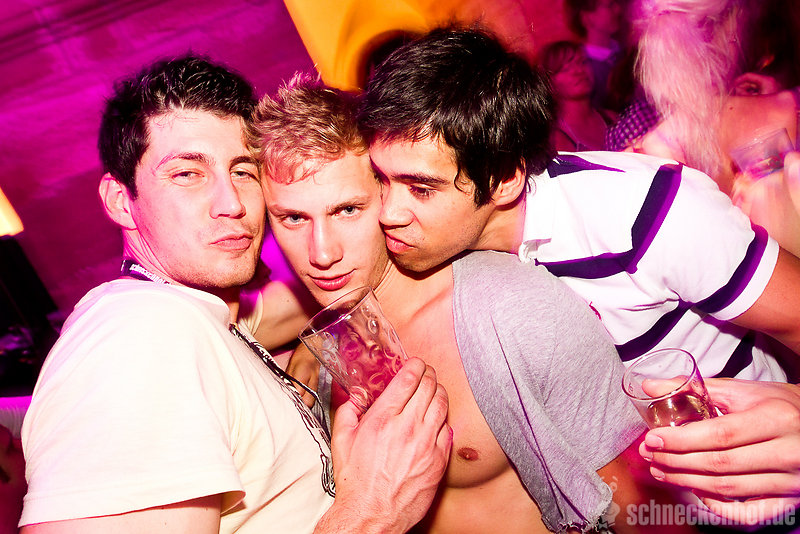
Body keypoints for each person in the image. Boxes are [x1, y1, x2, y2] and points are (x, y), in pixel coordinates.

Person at [358, 27, 800, 523]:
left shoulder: (646, 215)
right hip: (661, 510)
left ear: (504, 180)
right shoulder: (441, 247)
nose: (388, 212)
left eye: (420, 188)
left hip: (770, 494)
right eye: (381, 179)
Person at [247, 74, 698, 533]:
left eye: (347, 210)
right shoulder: (327, 348)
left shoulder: (514, 309)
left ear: (386, 192)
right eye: (293, 218)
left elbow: (644, 503)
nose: (322, 253)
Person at [18, 55, 451, 533]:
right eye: (187, 174)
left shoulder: (202, 319)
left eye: (243, 172)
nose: (231, 204)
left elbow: (317, 293)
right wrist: (372, 512)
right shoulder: (138, 335)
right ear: (121, 202)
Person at [539, 40, 617, 151]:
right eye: (566, 69)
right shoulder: (556, 139)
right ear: (549, 83)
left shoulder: (612, 119)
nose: (579, 71)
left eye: (583, 62)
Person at [563, 0, 626, 111]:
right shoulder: (583, 68)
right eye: (610, 5)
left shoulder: (624, 48)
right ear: (587, 18)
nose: (618, 9)